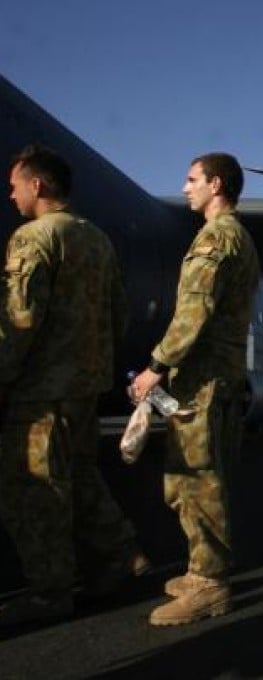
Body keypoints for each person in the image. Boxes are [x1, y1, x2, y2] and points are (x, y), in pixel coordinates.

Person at [0, 145, 148, 626]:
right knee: (82, 476)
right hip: (86, 386)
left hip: (42, 390)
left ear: (37, 185)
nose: (11, 194)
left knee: (35, 489)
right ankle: (121, 555)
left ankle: (49, 591)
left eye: (15, 185)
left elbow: (19, 320)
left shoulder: (34, 238)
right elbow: (118, 314)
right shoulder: (96, 239)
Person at [131, 152, 260, 625]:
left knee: (198, 482)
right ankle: (201, 567)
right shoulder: (237, 236)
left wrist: (155, 367)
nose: (185, 188)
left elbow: (192, 315)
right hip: (215, 378)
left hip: (202, 381)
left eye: (192, 180)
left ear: (217, 184)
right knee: (196, 480)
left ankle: (209, 584)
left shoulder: (215, 238)